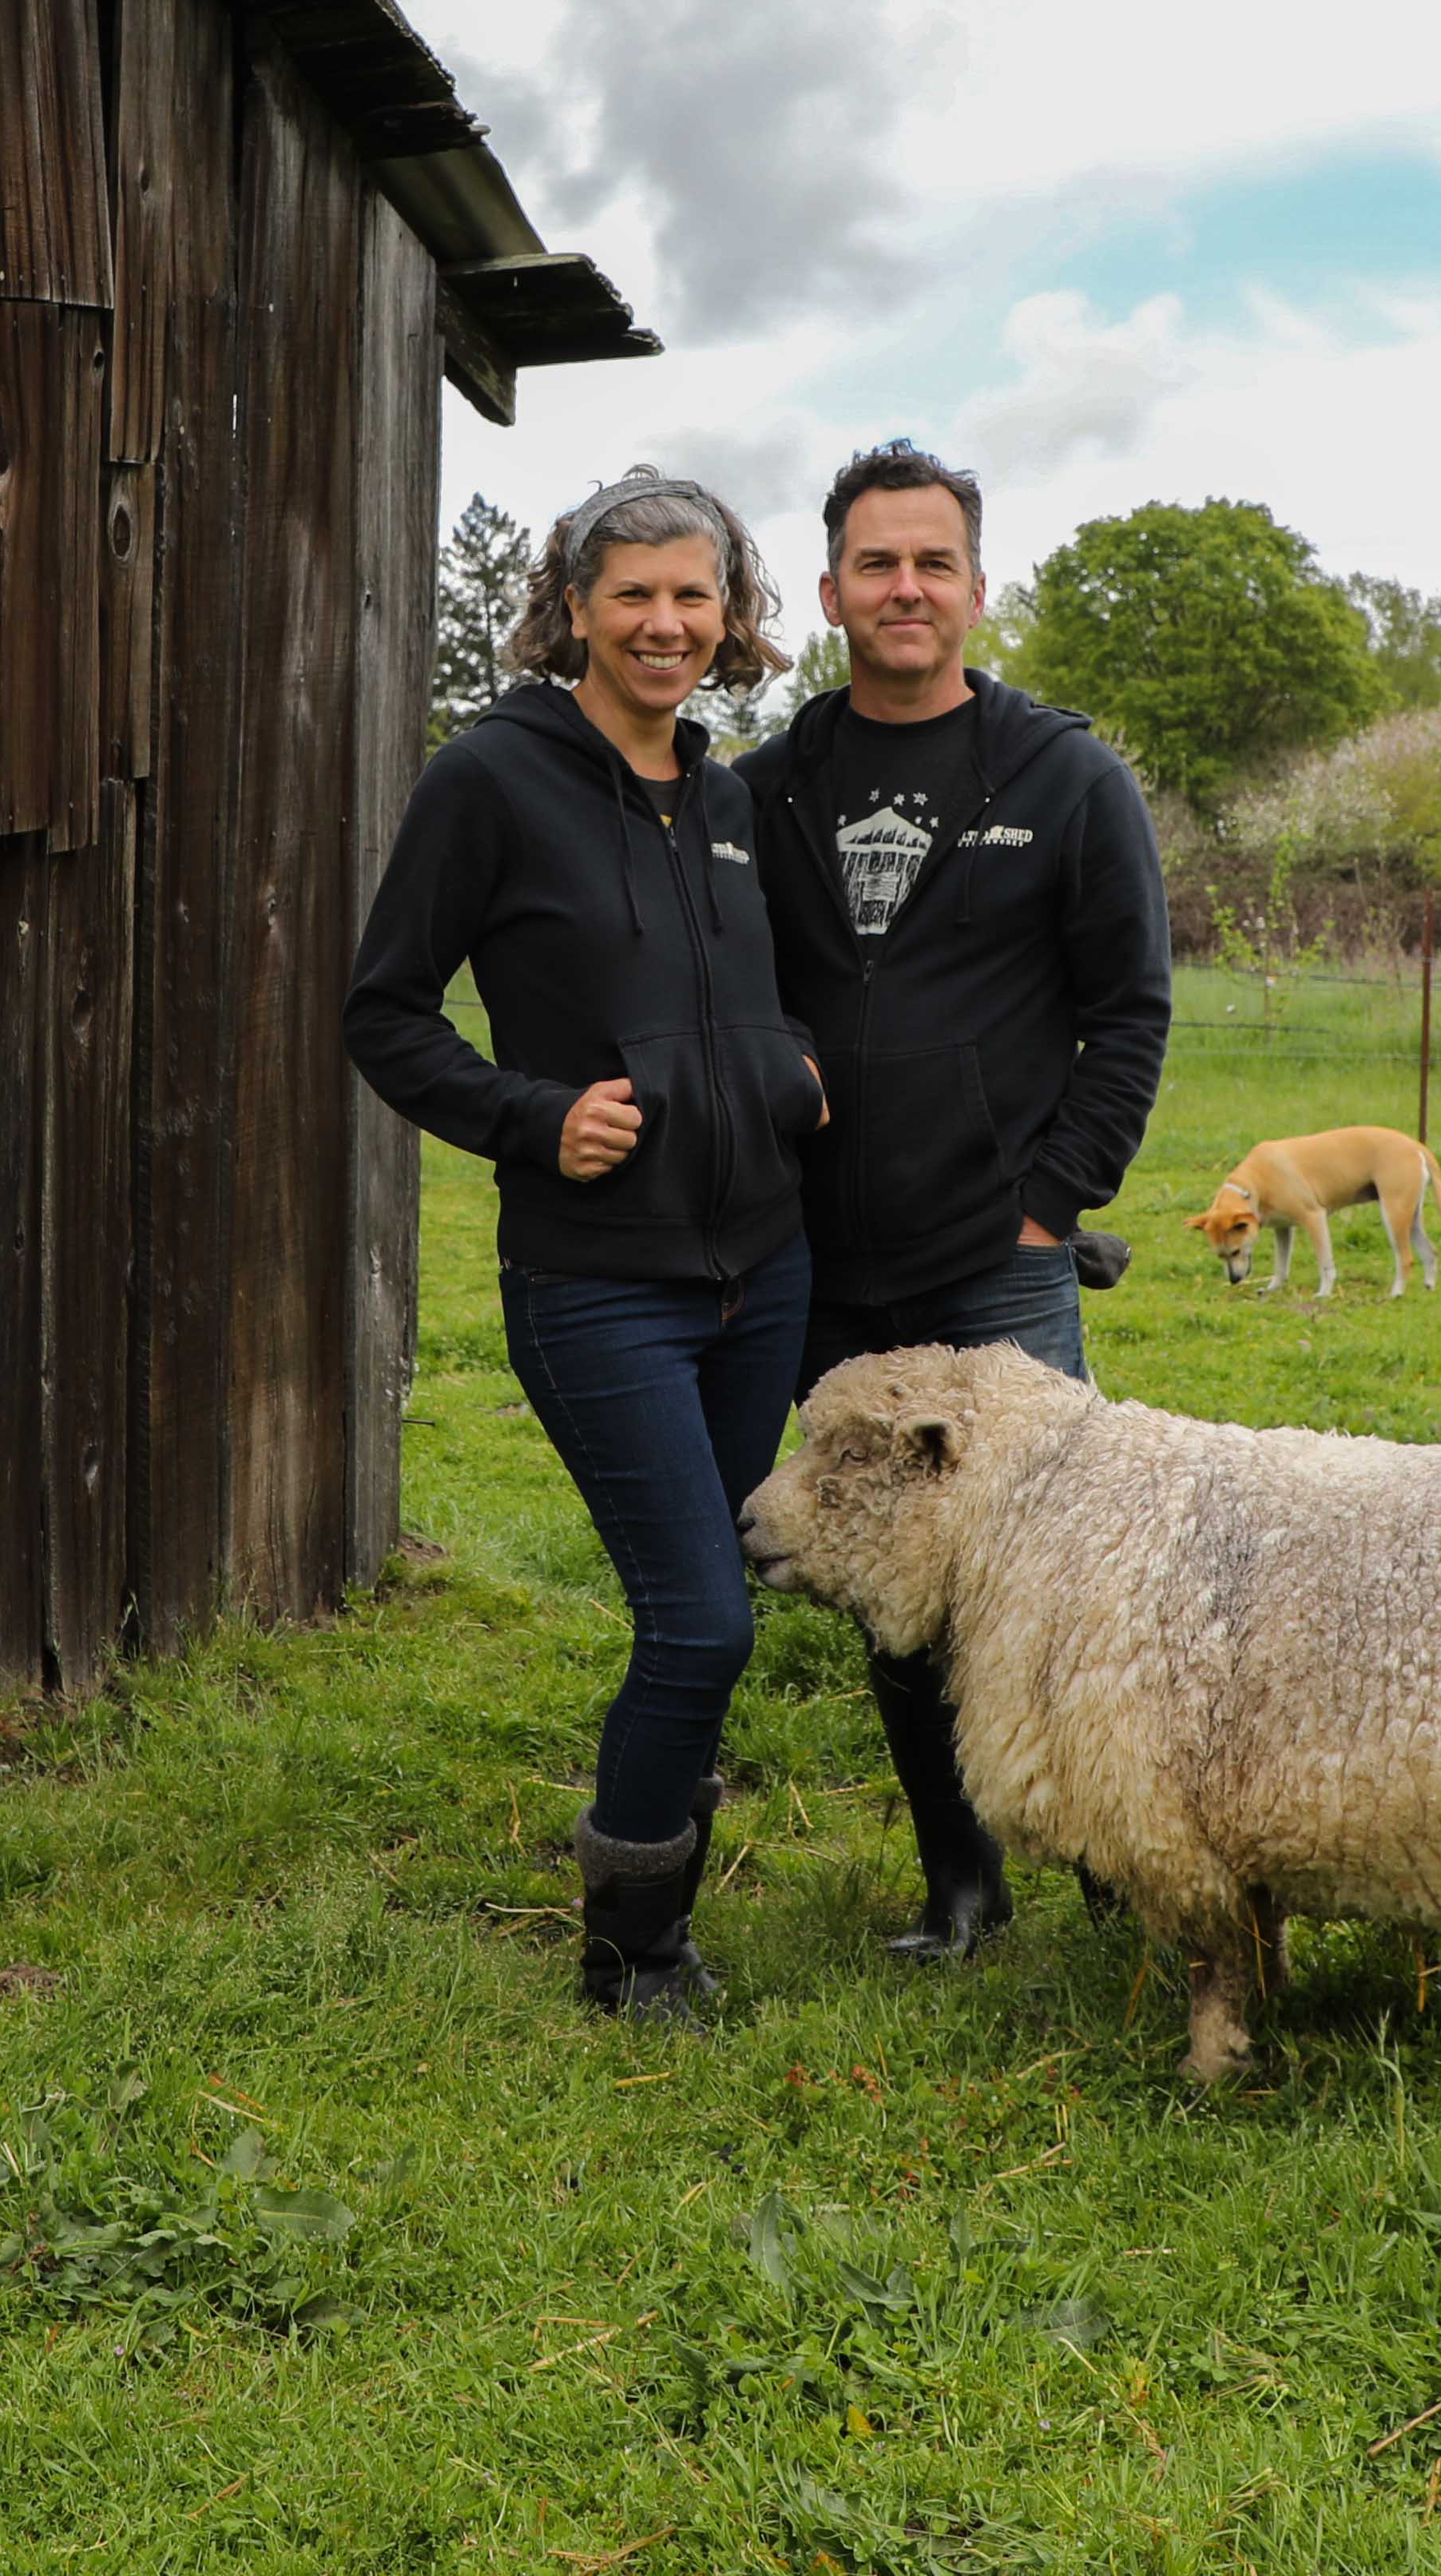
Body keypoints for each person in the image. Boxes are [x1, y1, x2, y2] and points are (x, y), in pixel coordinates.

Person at [342, 467, 822, 2015]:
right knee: (700, 1614)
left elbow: (752, 984)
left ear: (731, 614)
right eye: (634, 594)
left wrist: (788, 1061)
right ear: (571, 608)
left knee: (711, 1614)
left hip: (765, 1270)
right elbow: (384, 1012)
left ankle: (665, 1845)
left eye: (695, 595)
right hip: (599, 1278)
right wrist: (530, 1116)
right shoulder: (489, 779)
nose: (666, 624)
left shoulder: (731, 796)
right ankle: (635, 1954)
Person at [734, 439, 1171, 1958]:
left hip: (1002, 1257)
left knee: (1054, 1570)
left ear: (977, 587)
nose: (904, 587)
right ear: (832, 587)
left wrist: (1050, 1206)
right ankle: (962, 1881)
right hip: (827, 1263)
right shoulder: (768, 791)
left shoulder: (1065, 778)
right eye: (876, 562)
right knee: (893, 1583)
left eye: (932, 562)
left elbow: (1130, 1015)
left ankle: (1122, 1857)